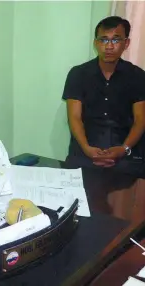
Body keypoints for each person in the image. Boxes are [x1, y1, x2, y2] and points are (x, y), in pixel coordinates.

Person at [62, 16, 145, 221]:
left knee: (126, 218)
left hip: (126, 155)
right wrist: (87, 148)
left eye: (115, 40)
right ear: (95, 43)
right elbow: (74, 117)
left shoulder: (138, 76)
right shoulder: (78, 74)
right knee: (73, 212)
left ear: (126, 43)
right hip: (85, 152)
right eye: (103, 39)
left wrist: (124, 149)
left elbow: (141, 120)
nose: (109, 46)